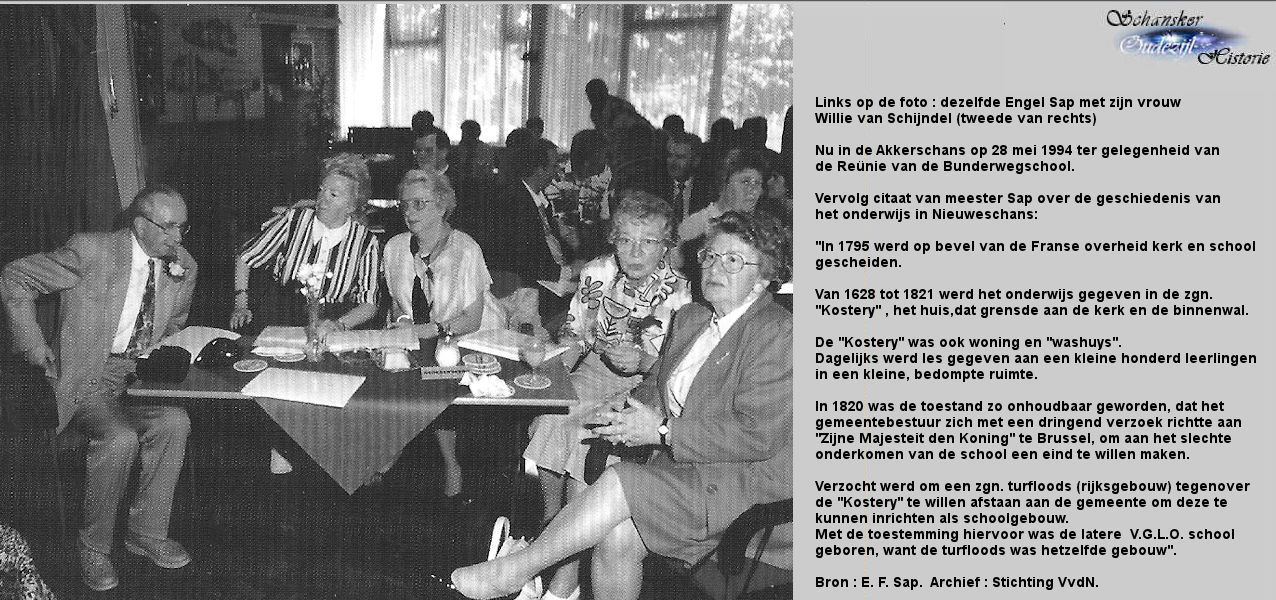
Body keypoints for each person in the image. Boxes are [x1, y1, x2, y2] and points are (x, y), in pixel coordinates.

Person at [450, 210, 792, 600]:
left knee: (619, 479)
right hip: (684, 472)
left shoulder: (777, 332)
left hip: (742, 483)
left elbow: (757, 436)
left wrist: (663, 431)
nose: (715, 268)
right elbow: (657, 384)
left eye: (733, 260)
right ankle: (548, 582)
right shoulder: (693, 318)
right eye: (710, 256)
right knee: (616, 537)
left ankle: (517, 569)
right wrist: (619, 412)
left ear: (762, 276)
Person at [1, 185, 199, 592]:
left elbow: (175, 323)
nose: (177, 238)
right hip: (87, 379)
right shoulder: (92, 251)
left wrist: (152, 360)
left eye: (183, 227)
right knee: (119, 438)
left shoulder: (184, 266)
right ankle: (93, 547)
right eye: (168, 227)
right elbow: (15, 278)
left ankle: (145, 532)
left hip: (136, 379)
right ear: (140, 224)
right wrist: (34, 346)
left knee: (175, 422)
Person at [522, 191, 691, 600]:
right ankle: (553, 526)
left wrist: (644, 362)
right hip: (595, 371)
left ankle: (564, 577)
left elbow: (677, 370)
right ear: (614, 239)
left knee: (587, 439)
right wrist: (551, 363)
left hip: (646, 385)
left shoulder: (680, 293)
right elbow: (575, 335)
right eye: (626, 240)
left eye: (648, 242)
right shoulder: (596, 272)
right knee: (549, 418)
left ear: (666, 245)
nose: (635, 252)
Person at [230, 153, 382, 474]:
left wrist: (339, 324)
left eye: (333, 194)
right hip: (283, 312)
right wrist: (241, 301)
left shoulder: (365, 242)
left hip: (333, 321)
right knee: (279, 389)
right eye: (322, 190)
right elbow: (246, 256)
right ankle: (283, 458)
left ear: (352, 206)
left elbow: (369, 303)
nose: (321, 199)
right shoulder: (294, 221)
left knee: (328, 392)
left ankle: (325, 459)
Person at [383, 169, 507, 497]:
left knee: (441, 372)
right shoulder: (394, 248)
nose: (410, 212)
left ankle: (451, 461)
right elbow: (398, 304)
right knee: (391, 368)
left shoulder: (466, 249)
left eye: (420, 204)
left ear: (441, 205)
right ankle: (393, 445)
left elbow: (473, 319)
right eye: (405, 204)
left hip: (466, 335)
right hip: (418, 333)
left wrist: (432, 330)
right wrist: (403, 322)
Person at [661, 132, 701, 220]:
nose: (673, 162)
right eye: (670, 156)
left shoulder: (706, 189)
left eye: (680, 157)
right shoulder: (657, 186)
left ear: (695, 161)